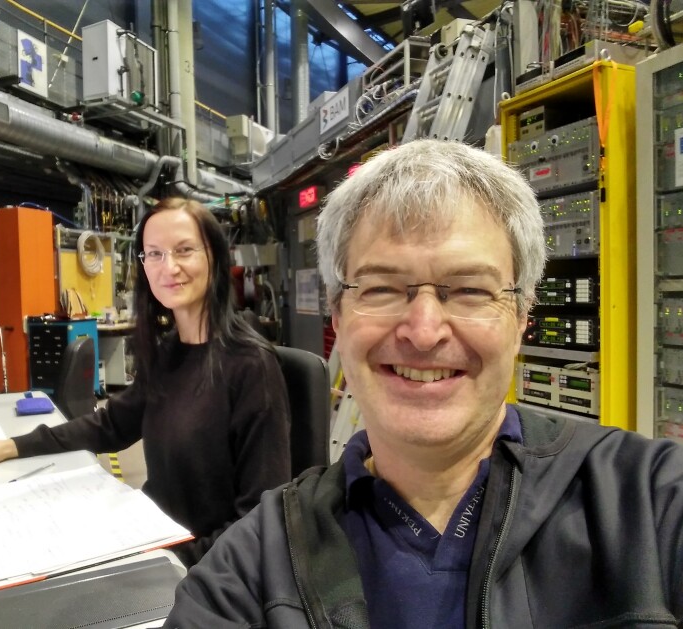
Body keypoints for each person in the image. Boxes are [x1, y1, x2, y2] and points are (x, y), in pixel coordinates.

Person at [165, 139, 683, 627]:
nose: (424, 330)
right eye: (382, 288)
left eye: (471, 290)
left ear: (522, 317)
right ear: (338, 317)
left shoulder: (650, 502)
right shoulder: (253, 565)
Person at [0, 197, 291, 567]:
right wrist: (11, 447)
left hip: (197, 565)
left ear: (215, 257)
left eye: (184, 250)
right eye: (154, 254)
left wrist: (170, 560)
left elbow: (258, 521)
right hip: (151, 532)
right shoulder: (169, 351)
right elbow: (111, 425)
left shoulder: (251, 367)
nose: (169, 267)